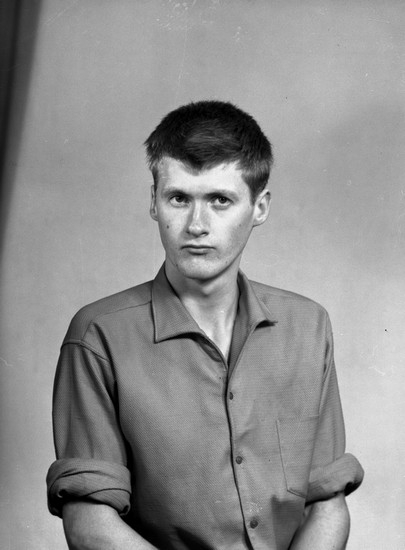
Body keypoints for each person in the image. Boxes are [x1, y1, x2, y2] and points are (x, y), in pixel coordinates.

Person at [46, 100, 364, 550]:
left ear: (259, 207)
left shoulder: (308, 326)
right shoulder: (98, 336)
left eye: (220, 200)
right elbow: (88, 520)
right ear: (154, 203)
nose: (197, 225)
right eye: (179, 198)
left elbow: (326, 502)